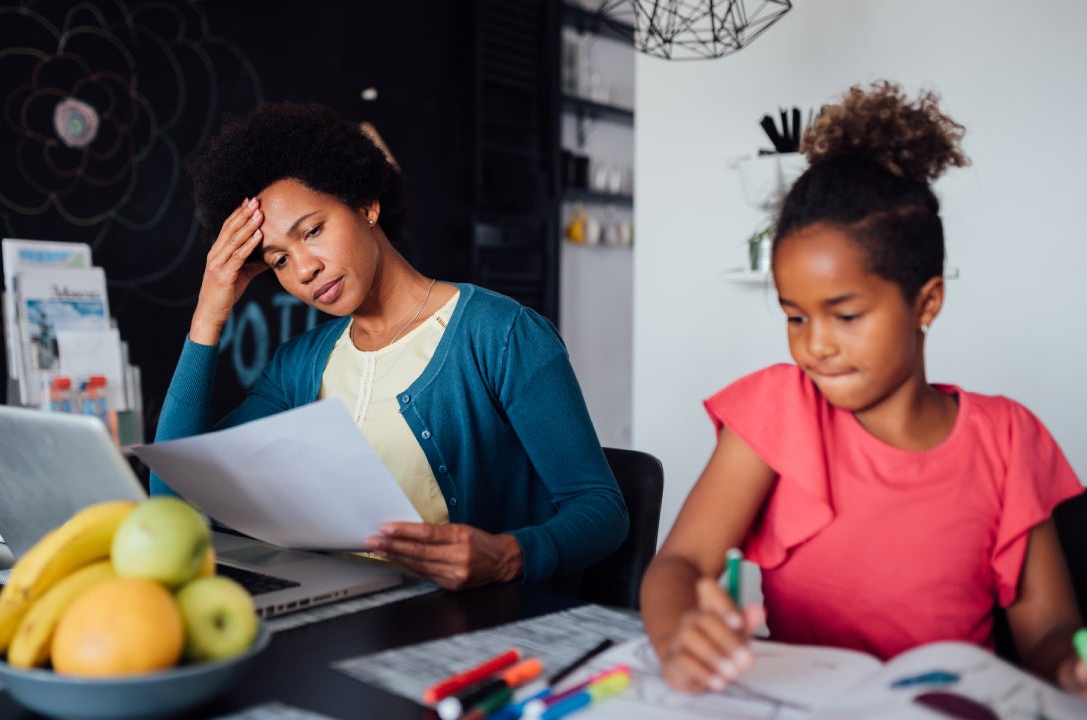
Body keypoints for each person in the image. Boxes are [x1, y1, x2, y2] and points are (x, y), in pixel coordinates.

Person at [639, 81, 1087, 696]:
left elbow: (1049, 630)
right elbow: (680, 564)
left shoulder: (1008, 438)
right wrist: (678, 628)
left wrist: (1071, 666)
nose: (815, 344)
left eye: (845, 316)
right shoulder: (779, 412)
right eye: (795, 316)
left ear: (925, 302)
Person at [150, 101, 628, 592]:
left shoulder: (501, 335)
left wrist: (508, 556)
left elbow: (602, 508)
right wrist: (209, 313)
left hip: (470, 629)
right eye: (278, 260)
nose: (304, 269)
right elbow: (174, 502)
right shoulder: (298, 365)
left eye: (312, 231)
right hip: (338, 622)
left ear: (366, 205)